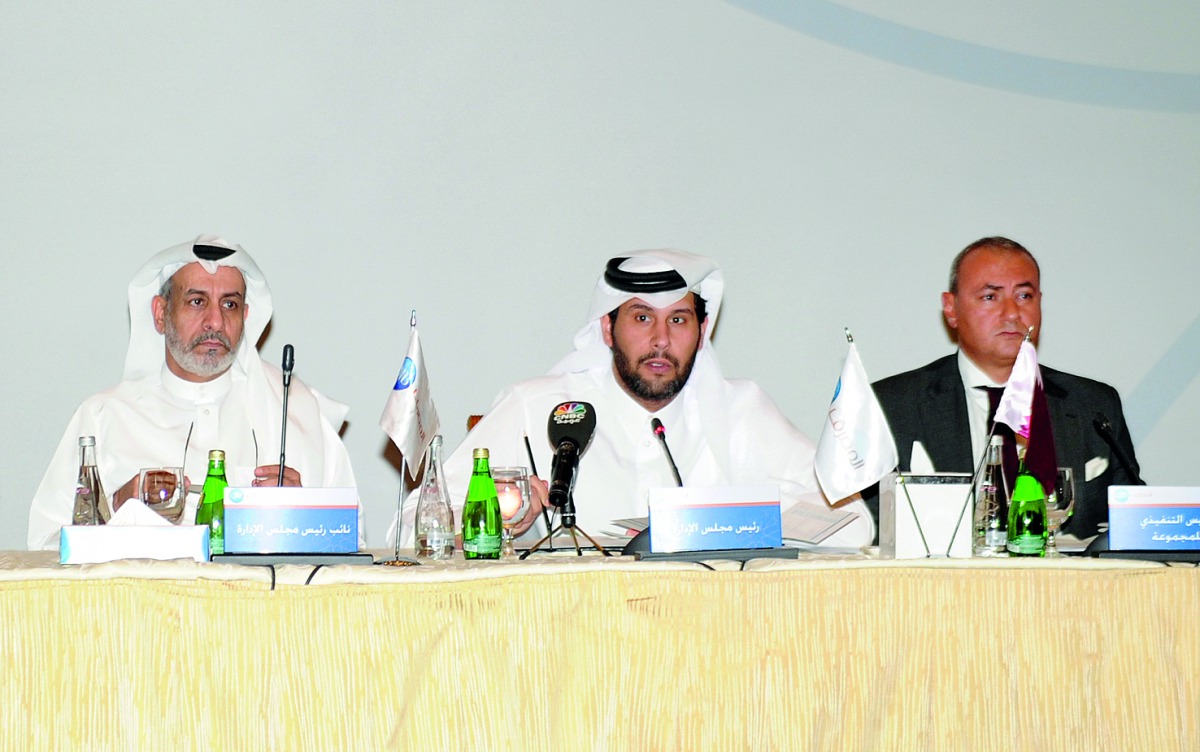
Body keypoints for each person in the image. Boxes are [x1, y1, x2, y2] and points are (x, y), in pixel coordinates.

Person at [396, 249, 874, 548]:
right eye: (642, 319)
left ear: (702, 331)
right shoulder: (536, 407)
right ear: (607, 327)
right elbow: (408, 527)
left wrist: (737, 518)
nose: (662, 340)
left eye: (680, 320)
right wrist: (498, 518)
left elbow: (853, 523)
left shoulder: (741, 410)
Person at [28, 235, 358, 550]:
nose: (215, 320)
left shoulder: (296, 412)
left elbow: (352, 539)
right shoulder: (103, 417)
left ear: (245, 317)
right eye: (197, 301)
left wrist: (301, 514)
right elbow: (45, 546)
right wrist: (115, 508)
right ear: (160, 314)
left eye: (229, 304)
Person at [870, 236, 1140, 539]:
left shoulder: (1093, 404)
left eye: (1024, 296)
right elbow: (869, 528)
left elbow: (1133, 527)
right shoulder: (891, 406)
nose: (1012, 312)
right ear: (951, 308)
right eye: (990, 297)